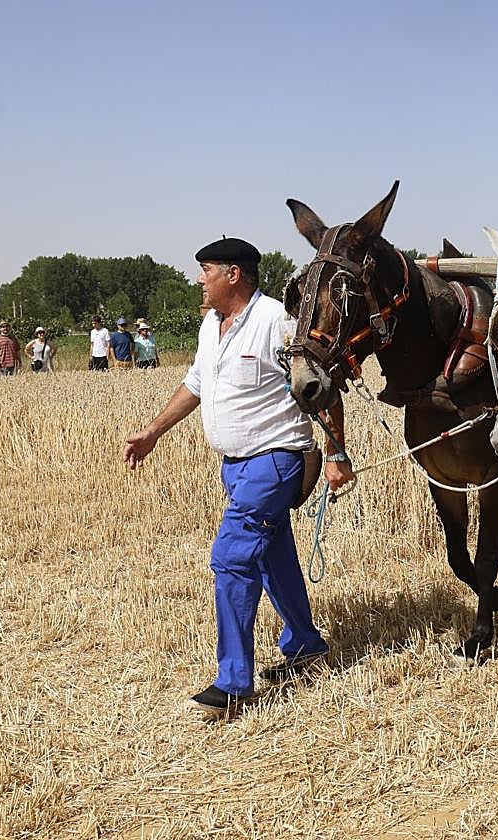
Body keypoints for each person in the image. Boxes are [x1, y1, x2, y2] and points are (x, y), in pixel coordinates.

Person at [123, 236, 355, 719]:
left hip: (276, 460)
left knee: (231, 558)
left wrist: (335, 451)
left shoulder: (277, 321)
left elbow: (322, 386)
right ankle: (306, 645)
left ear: (233, 275)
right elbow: (195, 384)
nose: (199, 280)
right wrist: (153, 432)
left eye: (205, 270)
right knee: (271, 558)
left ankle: (233, 683)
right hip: (235, 466)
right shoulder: (211, 325)